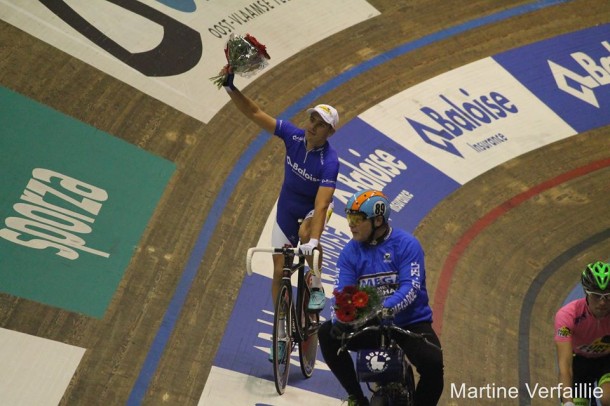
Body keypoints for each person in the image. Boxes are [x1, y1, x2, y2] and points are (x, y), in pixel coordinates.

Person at [219, 67, 339, 358]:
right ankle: (283, 329)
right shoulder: (293, 136)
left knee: (305, 235)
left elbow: (322, 204)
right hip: (286, 208)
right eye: (312, 118)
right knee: (277, 271)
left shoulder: (330, 161)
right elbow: (256, 113)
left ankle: (315, 278)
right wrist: (231, 88)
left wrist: (313, 241)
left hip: (313, 210)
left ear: (330, 132)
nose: (312, 125)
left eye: (320, 123)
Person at [318, 189, 444, 406]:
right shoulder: (350, 253)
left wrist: (386, 308)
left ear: (378, 220)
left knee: (433, 368)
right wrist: (341, 318)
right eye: (349, 218)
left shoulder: (406, 244)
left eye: (357, 219)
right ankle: (357, 398)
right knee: (327, 333)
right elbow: (343, 291)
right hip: (371, 324)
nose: (351, 224)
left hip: (410, 323)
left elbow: (411, 287)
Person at [554, 261, 610, 406]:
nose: (603, 302)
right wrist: (567, 402)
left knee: (607, 398)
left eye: (608, 296)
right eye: (596, 296)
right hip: (579, 361)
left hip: (607, 360)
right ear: (586, 292)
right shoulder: (568, 316)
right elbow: (565, 364)